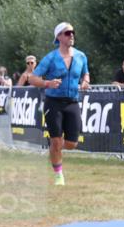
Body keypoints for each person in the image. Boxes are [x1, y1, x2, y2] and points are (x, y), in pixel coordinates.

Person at [30, 22, 90, 186]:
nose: (71, 35)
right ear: (58, 37)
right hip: (53, 102)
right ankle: (58, 175)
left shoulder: (81, 56)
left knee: (72, 143)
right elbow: (32, 78)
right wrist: (47, 83)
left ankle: (54, 149)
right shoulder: (50, 58)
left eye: (72, 32)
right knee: (56, 140)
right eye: (67, 33)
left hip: (72, 102)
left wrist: (85, 81)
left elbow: (86, 73)